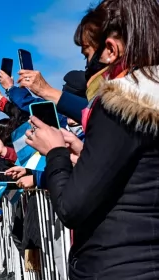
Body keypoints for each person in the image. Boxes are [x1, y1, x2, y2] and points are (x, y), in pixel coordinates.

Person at [26, 0, 159, 278]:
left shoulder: (119, 103)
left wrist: (55, 153)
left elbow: (71, 207)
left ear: (110, 50)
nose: (87, 65)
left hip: (115, 264)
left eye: (87, 54)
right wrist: (87, 152)